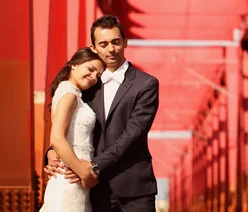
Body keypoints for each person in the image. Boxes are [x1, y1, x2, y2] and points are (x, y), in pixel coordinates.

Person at [44, 15, 160, 211]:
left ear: (125, 42)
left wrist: (94, 166)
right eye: (103, 44)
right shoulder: (88, 85)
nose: (111, 49)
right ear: (94, 48)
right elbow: (68, 122)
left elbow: (133, 133)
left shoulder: (146, 84)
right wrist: (52, 152)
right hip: (96, 189)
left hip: (134, 187)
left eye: (116, 42)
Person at [40, 47, 105, 211]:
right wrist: (85, 175)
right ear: (74, 64)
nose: (93, 77)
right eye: (90, 69)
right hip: (71, 180)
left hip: (74, 180)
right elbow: (57, 138)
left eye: (98, 75)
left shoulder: (71, 93)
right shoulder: (69, 94)